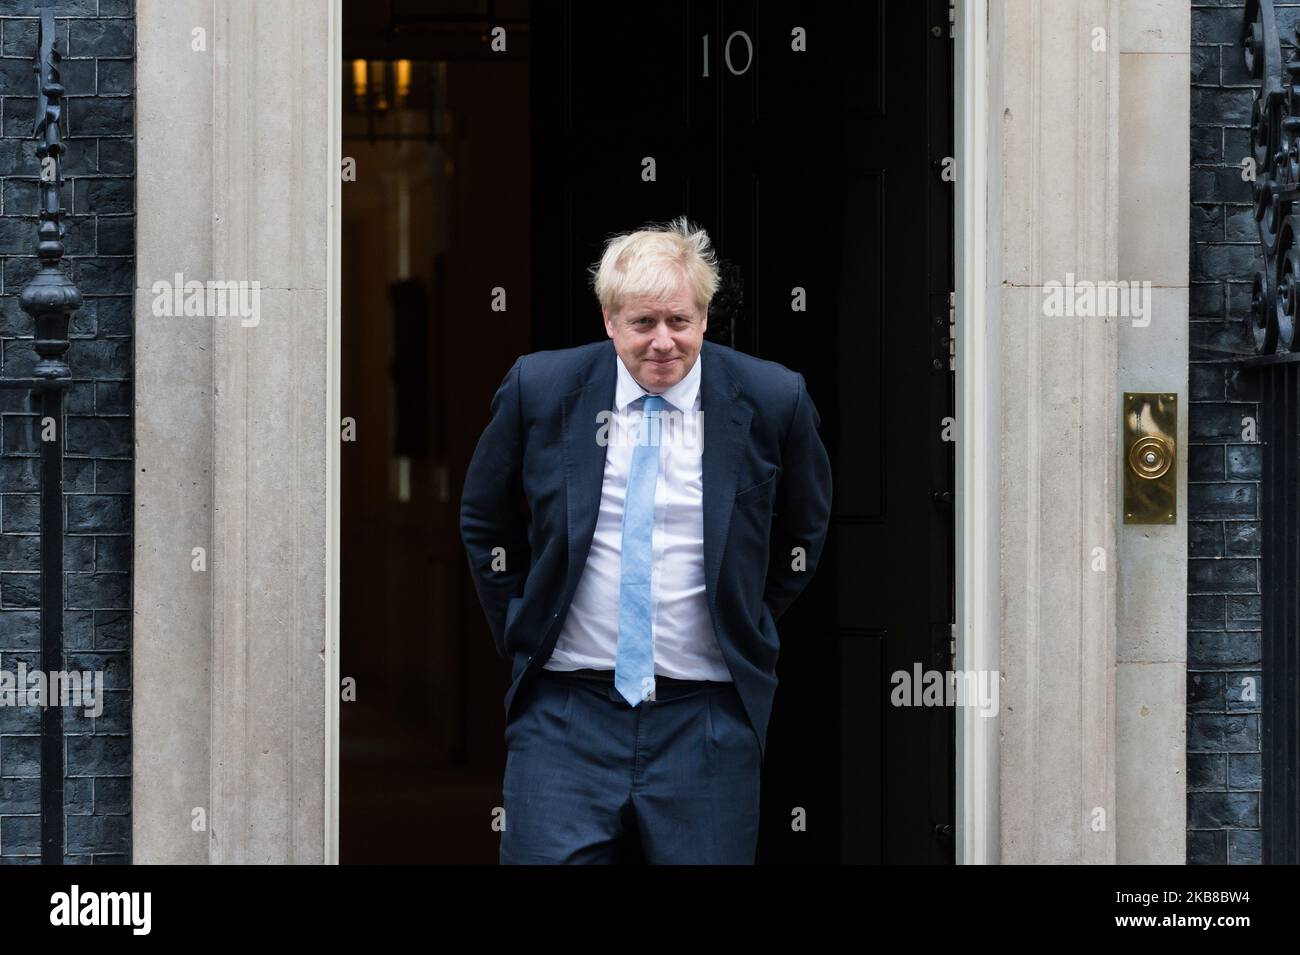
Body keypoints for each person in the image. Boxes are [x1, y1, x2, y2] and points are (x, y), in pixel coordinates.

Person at [459, 215, 832, 863]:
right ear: (609, 321)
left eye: (679, 321)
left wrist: (744, 615)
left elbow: (806, 527)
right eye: (642, 323)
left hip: (706, 719)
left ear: (705, 317)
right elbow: (484, 515)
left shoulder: (773, 398)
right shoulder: (541, 389)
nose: (663, 342)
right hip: (566, 714)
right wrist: (521, 623)